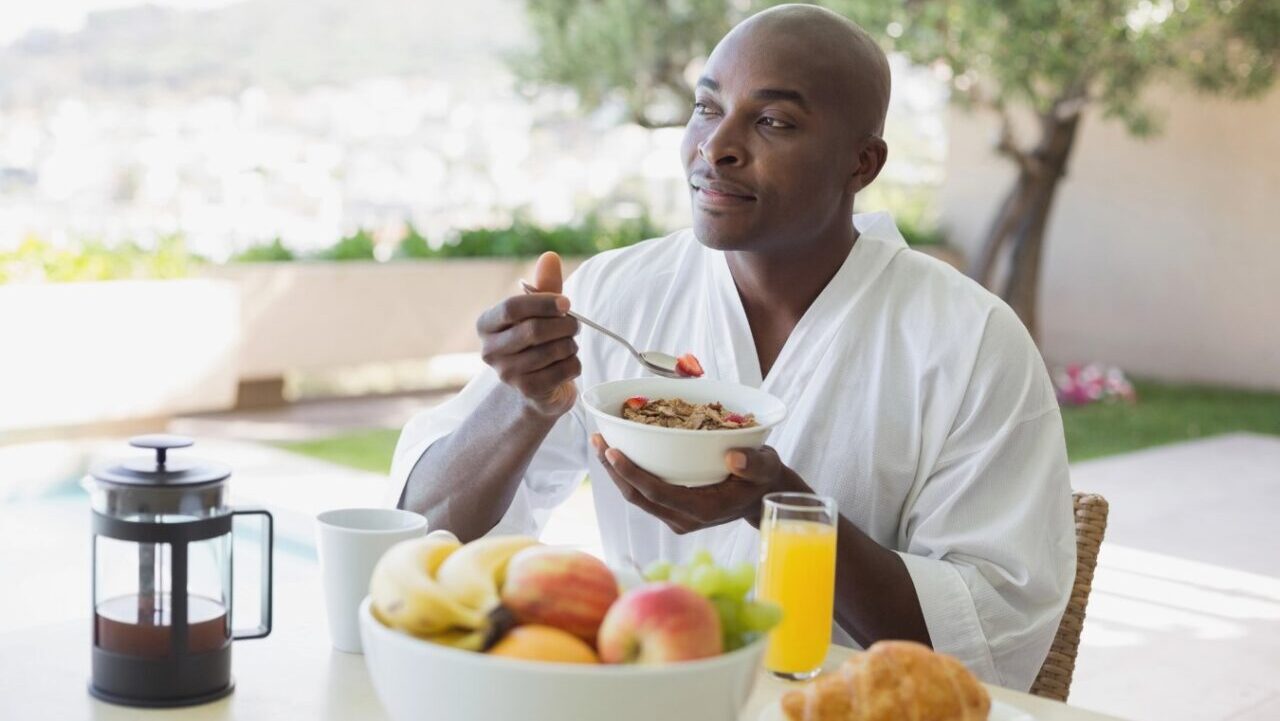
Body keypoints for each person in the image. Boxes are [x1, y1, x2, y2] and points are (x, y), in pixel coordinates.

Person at [387, 4, 1074, 691]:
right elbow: (420, 537)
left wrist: (781, 509)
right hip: (641, 694)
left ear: (861, 164)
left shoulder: (970, 341)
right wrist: (525, 405)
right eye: (705, 107)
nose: (715, 146)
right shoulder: (614, 297)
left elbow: (991, 642)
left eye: (773, 121)